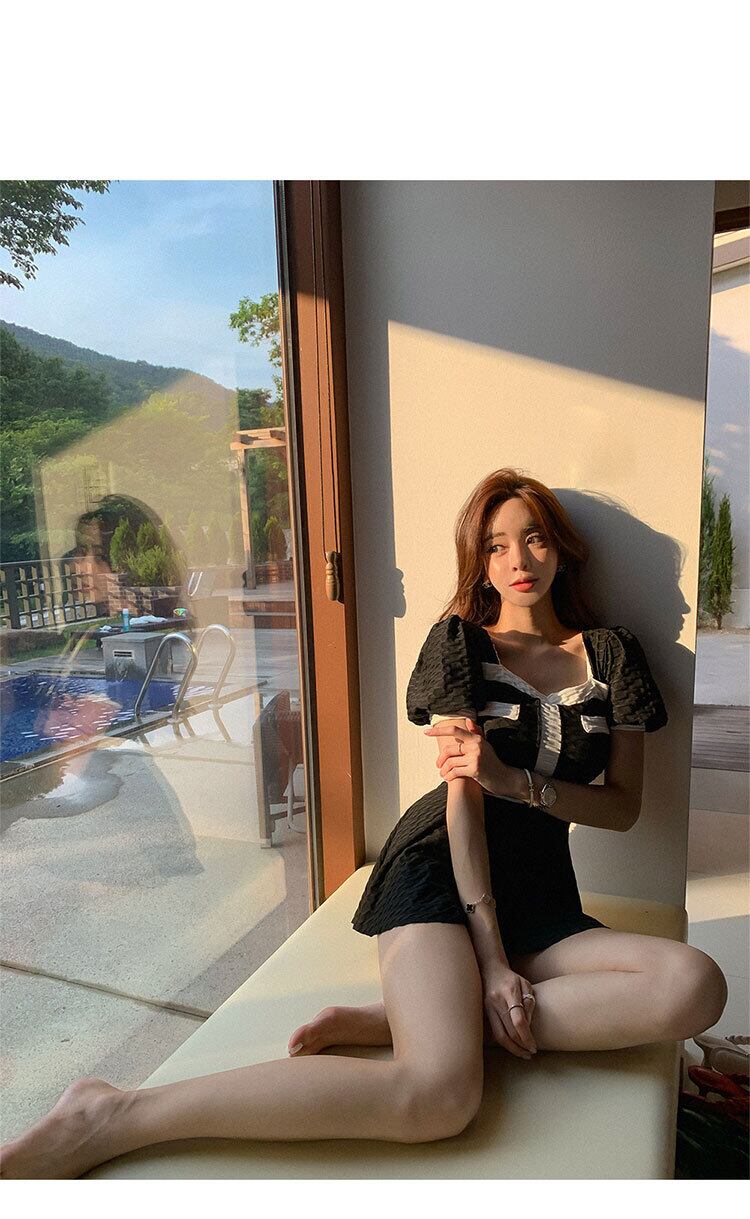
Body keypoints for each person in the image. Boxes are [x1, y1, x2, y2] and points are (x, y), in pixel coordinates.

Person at [0, 468, 729, 1179]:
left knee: (694, 985)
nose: (519, 560)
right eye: (496, 545)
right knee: (438, 1096)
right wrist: (492, 958)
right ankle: (114, 1113)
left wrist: (516, 782)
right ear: (479, 562)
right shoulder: (460, 645)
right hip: (444, 870)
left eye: (534, 538)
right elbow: (463, 804)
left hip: (541, 894)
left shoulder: (611, 654)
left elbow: (623, 808)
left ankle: (411, 1014)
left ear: (561, 548)